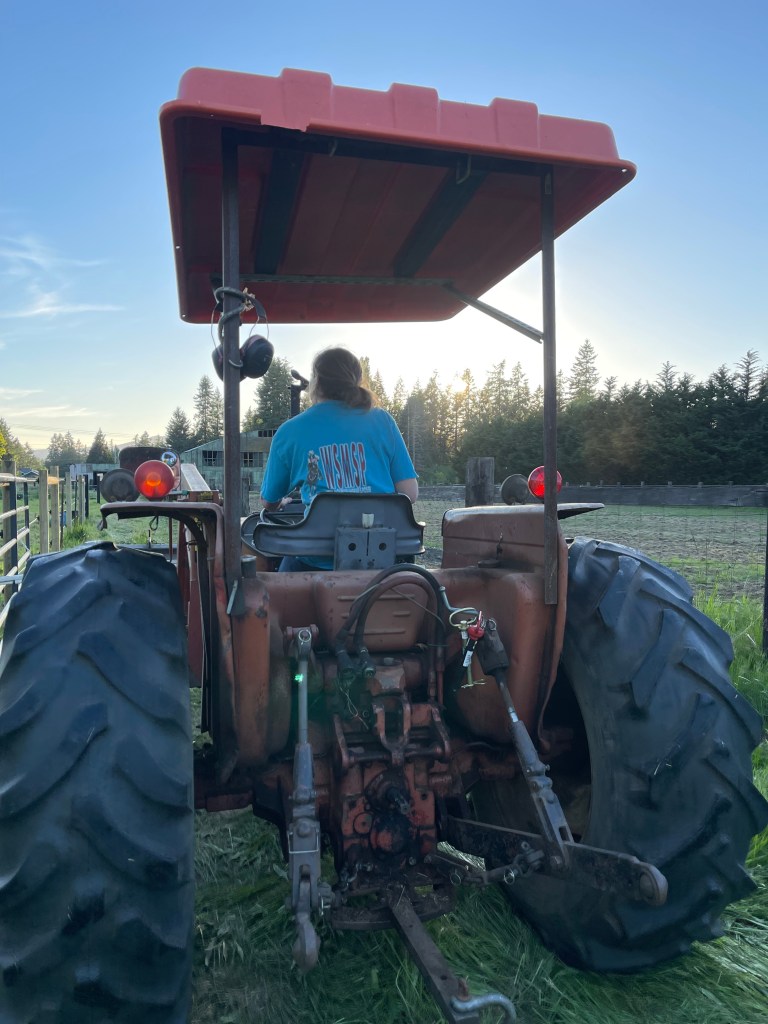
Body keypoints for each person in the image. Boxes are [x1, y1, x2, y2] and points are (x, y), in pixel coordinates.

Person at [260, 347, 418, 570]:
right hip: (381, 561)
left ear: (316, 381)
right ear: (357, 380)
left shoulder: (290, 431)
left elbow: (268, 501)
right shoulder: (383, 421)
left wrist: (279, 503)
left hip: (314, 563)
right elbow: (409, 494)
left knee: (279, 579)